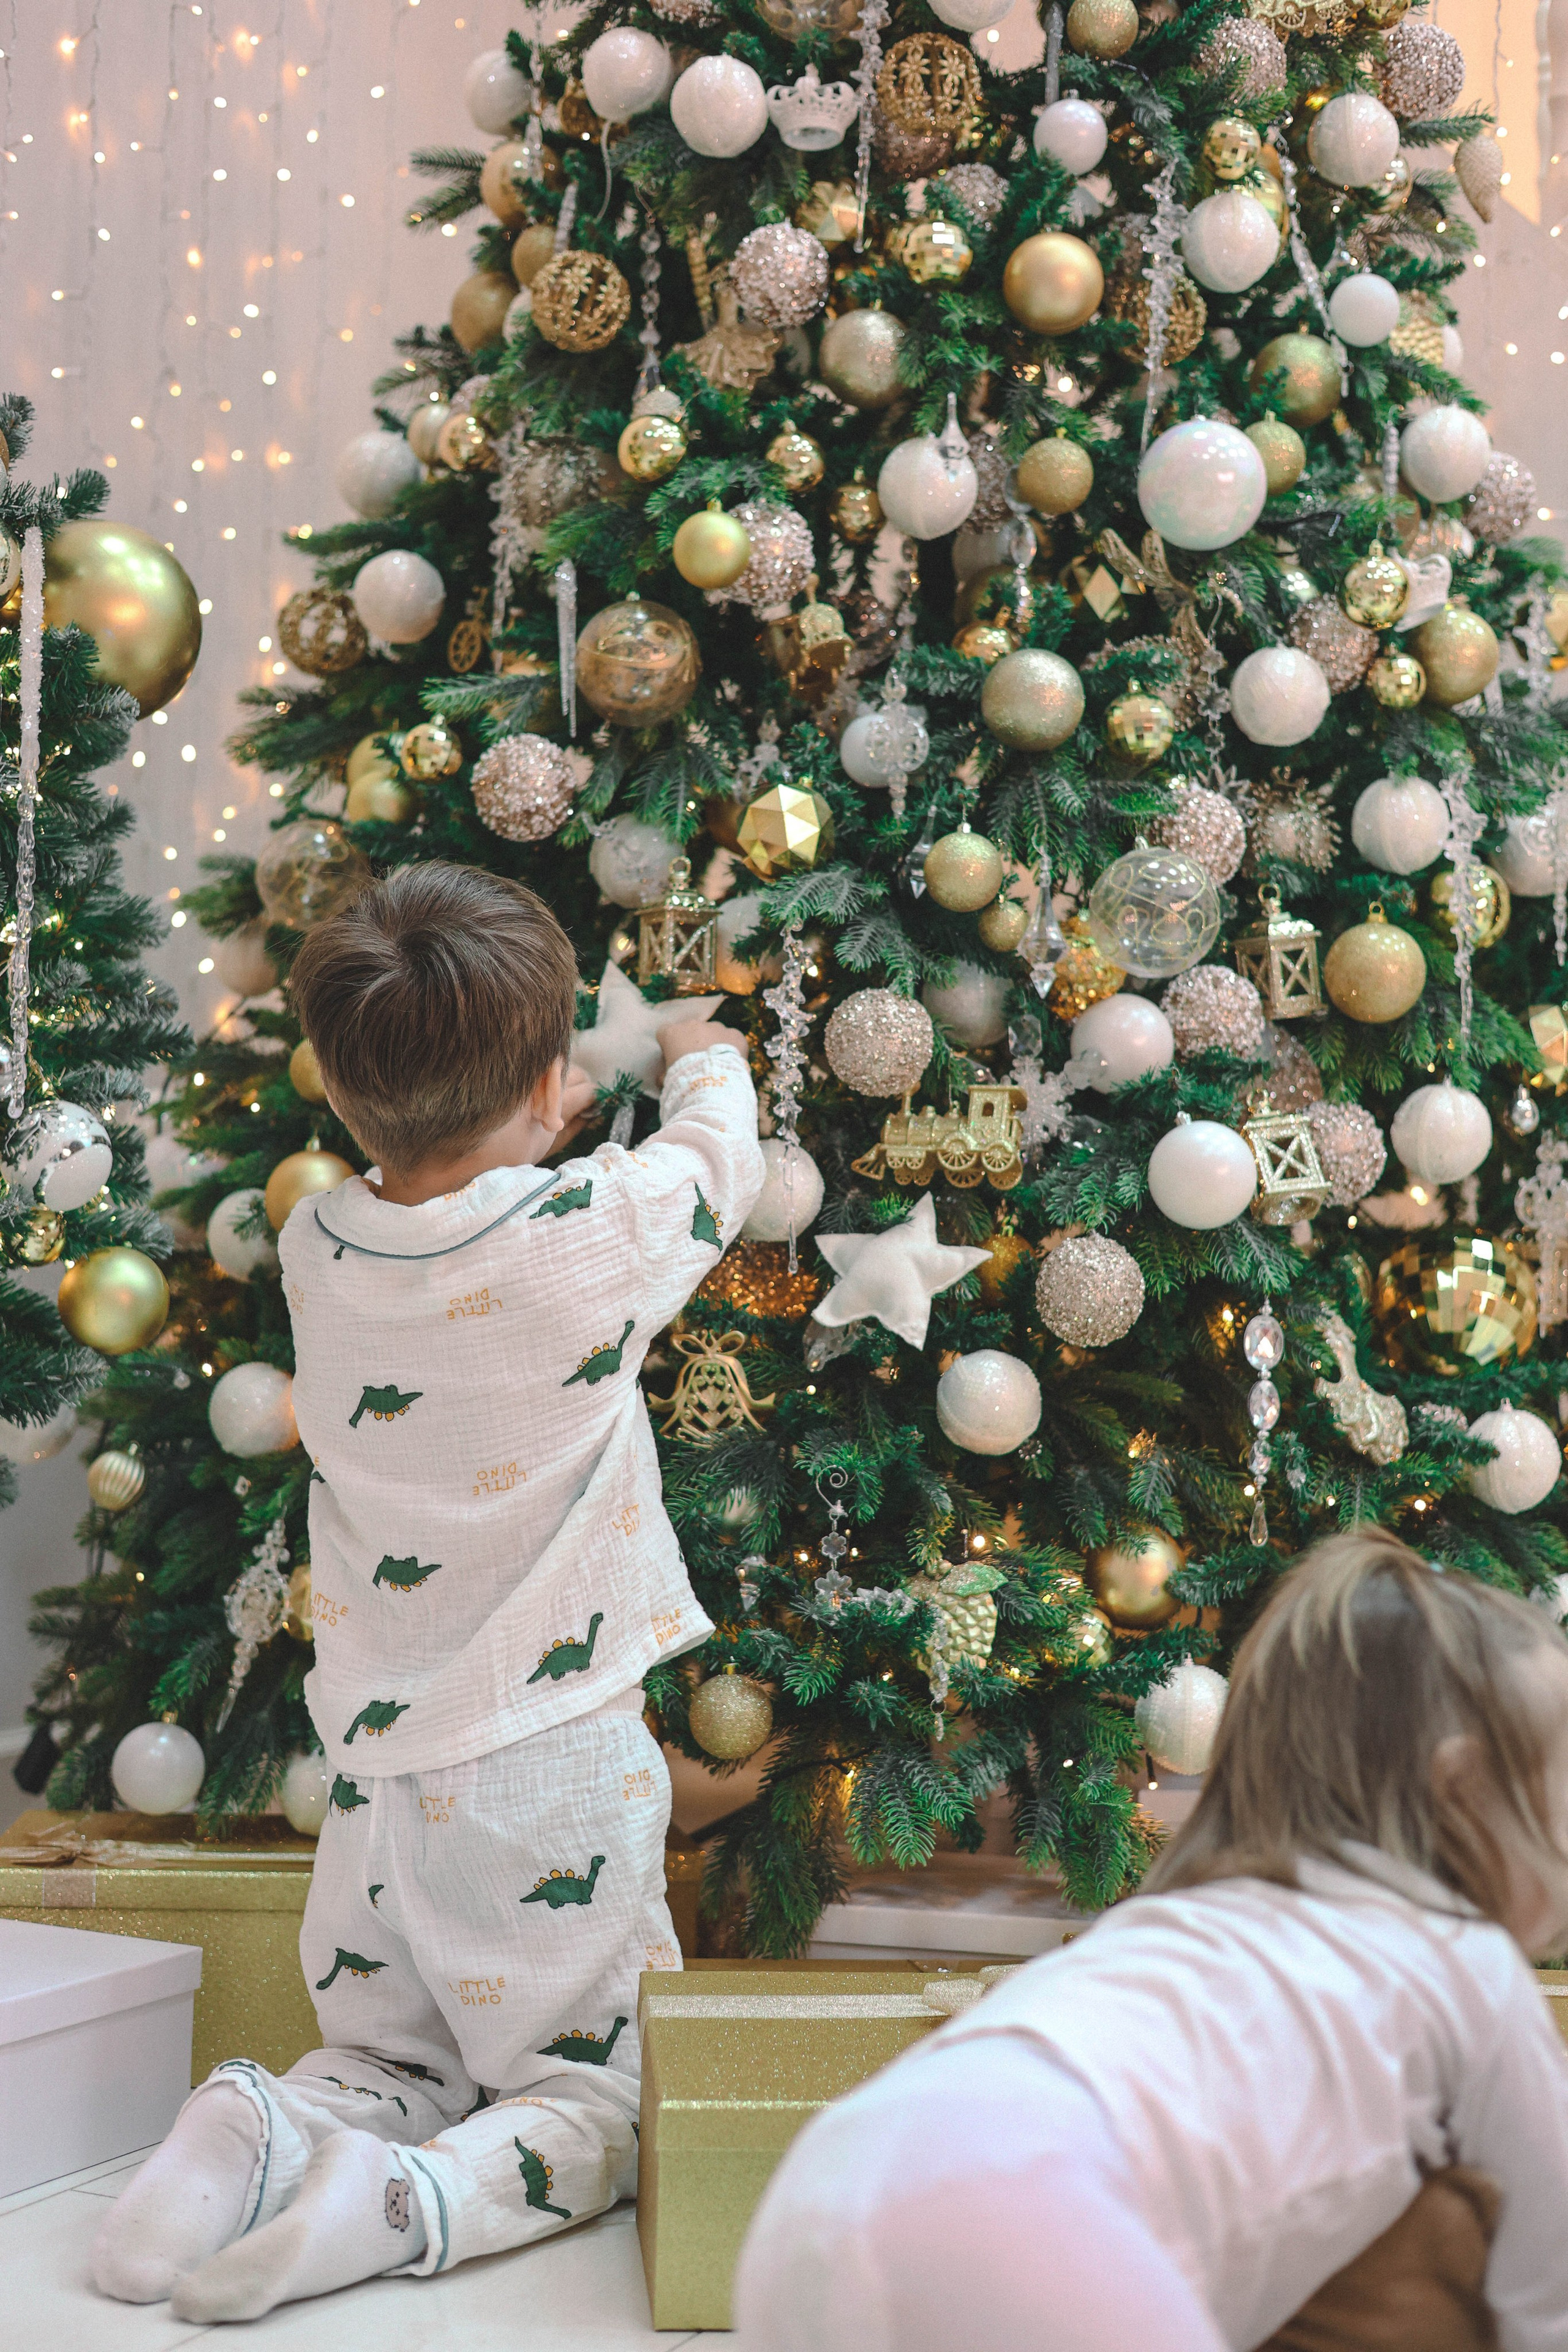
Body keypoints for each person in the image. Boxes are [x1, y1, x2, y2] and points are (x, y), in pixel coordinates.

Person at [94, 864, 763, 2323]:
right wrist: (700, 1050)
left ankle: (255, 2126)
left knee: (388, 2057)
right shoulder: (586, 1230)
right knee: (597, 2098)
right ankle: (406, 2206)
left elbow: (452, 1188)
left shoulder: (319, 1244)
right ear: (542, 1088)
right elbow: (719, 1168)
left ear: (342, 1097)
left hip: (373, 1767)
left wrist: (520, 1108)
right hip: (548, 1762)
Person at [735, 1528, 1568, 2352]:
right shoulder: (1467, 1961)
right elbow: (1551, 2277)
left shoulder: (1191, 1916)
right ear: (1460, 1792)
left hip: (833, 2175)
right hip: (1031, 2203)